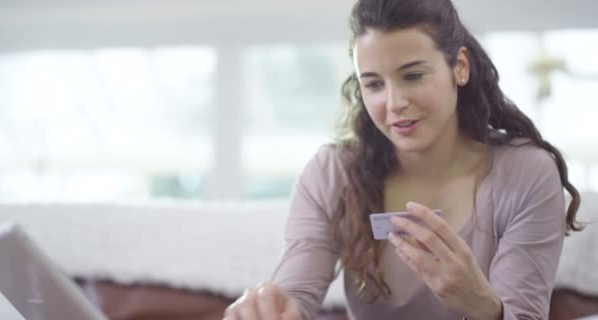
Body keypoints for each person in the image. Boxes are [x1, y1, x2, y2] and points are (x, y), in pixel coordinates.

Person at [223, 0, 582, 319]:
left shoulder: (526, 175)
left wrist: (483, 305)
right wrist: (267, 309)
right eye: (374, 84)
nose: (394, 103)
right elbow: (295, 296)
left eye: (412, 75)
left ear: (459, 66)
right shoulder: (332, 173)